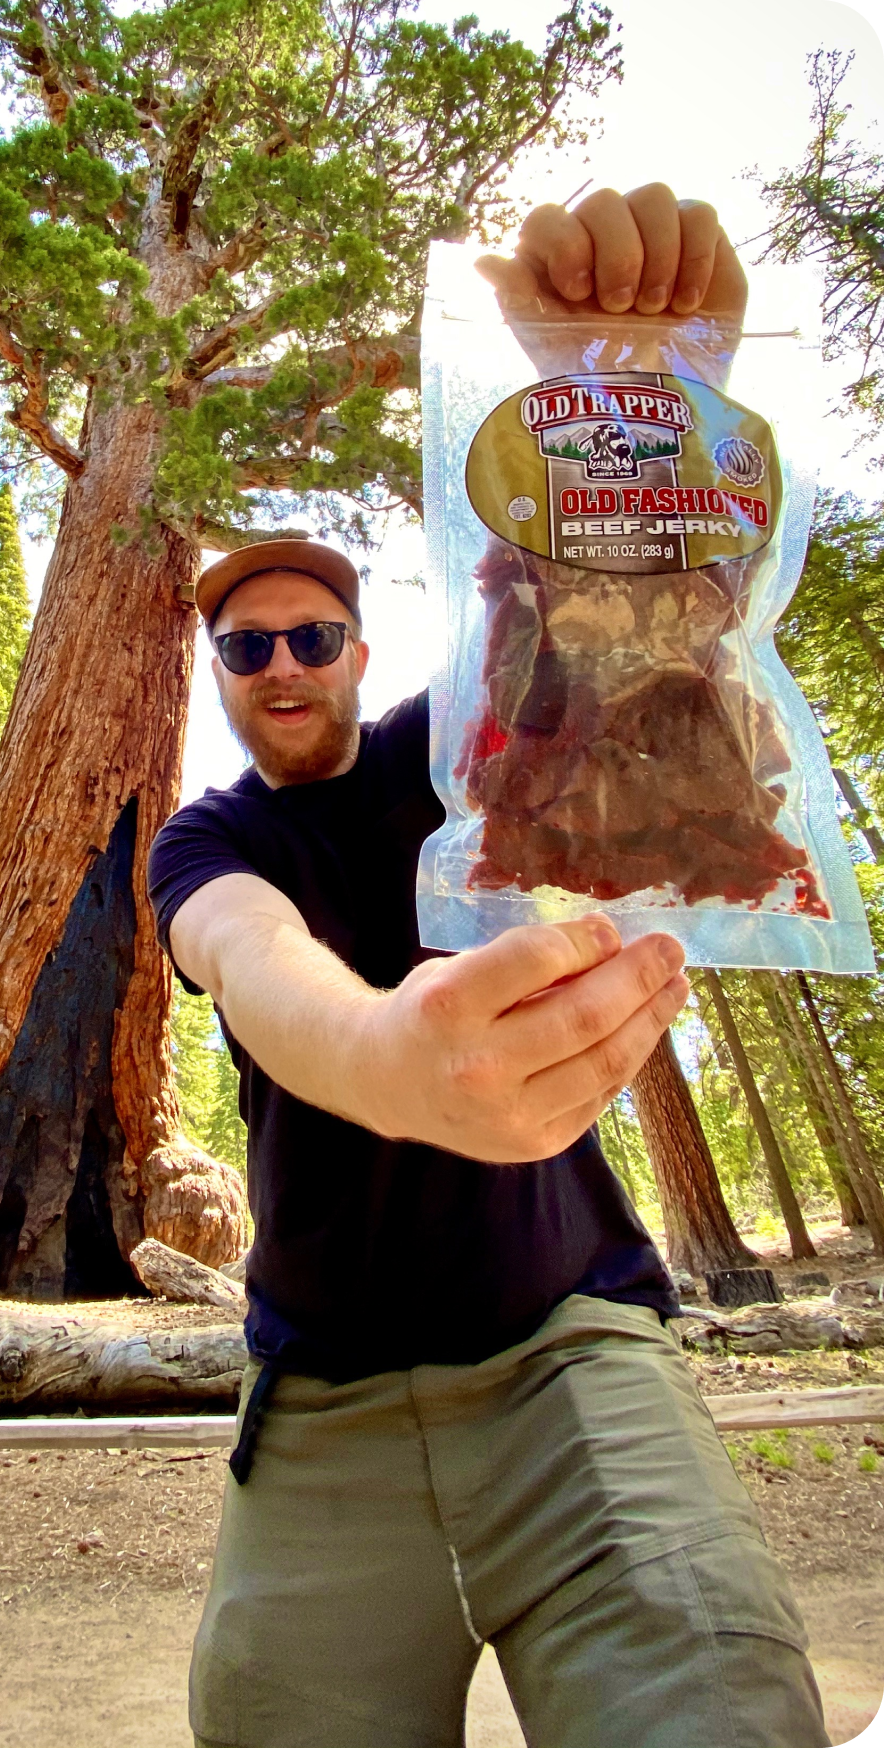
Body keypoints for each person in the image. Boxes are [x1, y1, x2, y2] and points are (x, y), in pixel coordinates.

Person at [148, 184, 830, 1748]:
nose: (280, 665)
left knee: (716, 1702)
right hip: (316, 1412)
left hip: (571, 1355)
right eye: (244, 646)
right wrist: (386, 1057)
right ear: (222, 678)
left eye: (310, 634)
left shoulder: (454, 760)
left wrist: (627, 378)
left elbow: (606, 634)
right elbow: (250, 966)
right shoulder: (204, 841)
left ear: (359, 654)